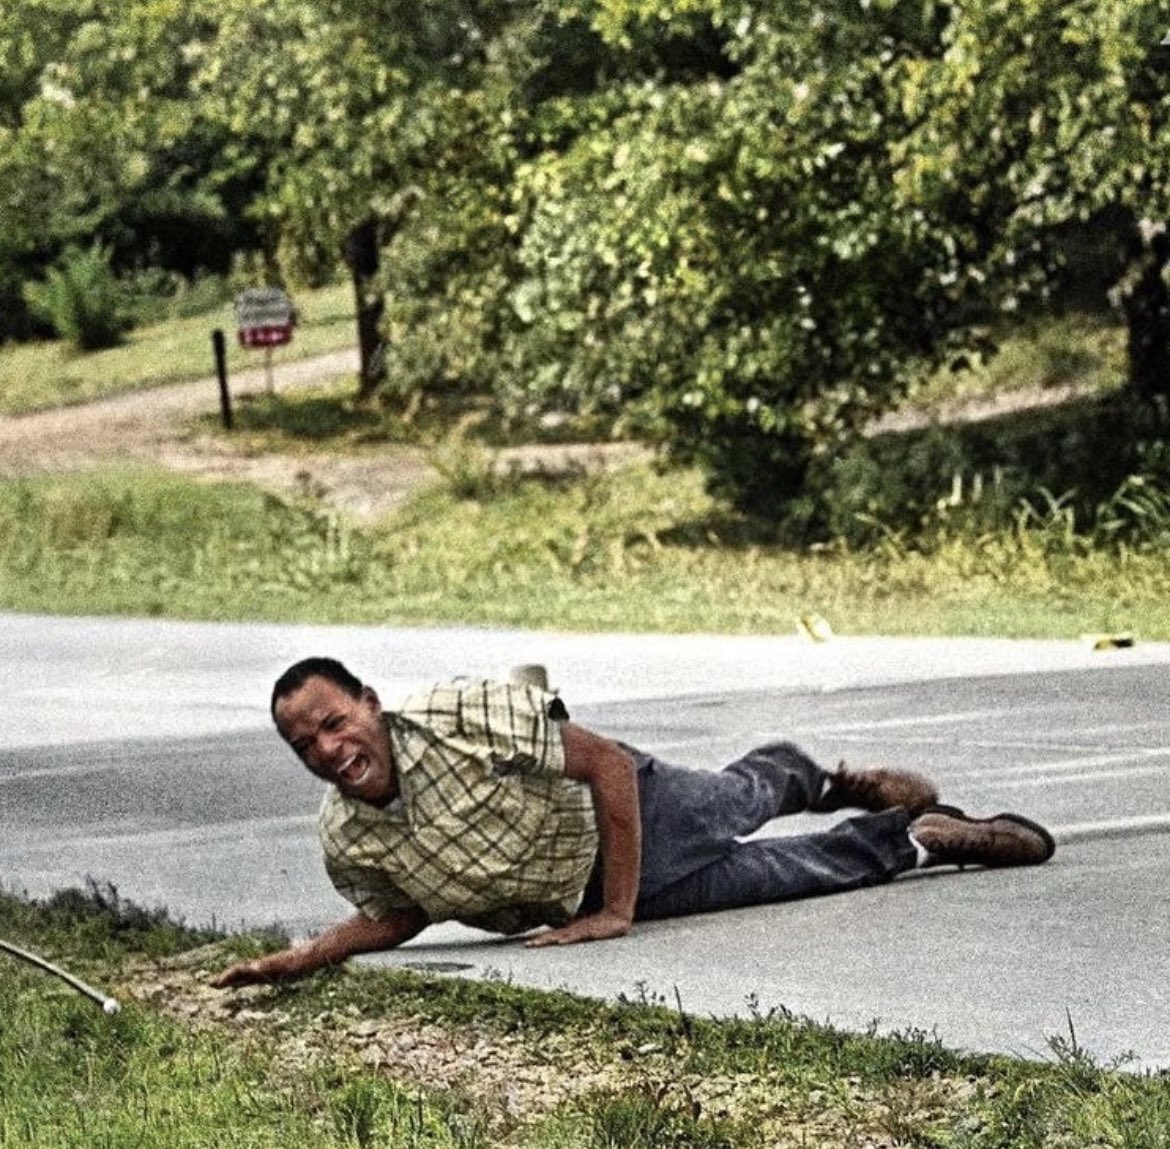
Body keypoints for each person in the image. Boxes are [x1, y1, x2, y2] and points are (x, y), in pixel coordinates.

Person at [213, 657, 1056, 987]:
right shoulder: (349, 836)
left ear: (368, 702)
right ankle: (924, 836)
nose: (328, 749)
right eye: (304, 745)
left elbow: (607, 762)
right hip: (581, 894)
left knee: (739, 804)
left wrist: (614, 913)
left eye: (334, 722)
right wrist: (309, 954)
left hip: (629, 809)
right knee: (782, 878)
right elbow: (403, 910)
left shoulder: (451, 715)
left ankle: (810, 774)